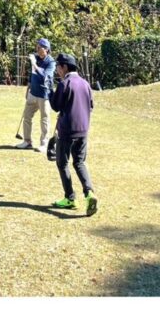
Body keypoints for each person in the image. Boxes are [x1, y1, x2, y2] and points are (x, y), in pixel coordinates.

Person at [48, 52, 97, 215]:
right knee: (79, 162)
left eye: (58, 67)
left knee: (62, 163)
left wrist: (49, 91)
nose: (57, 70)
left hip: (67, 131)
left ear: (64, 67)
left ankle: (70, 198)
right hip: (83, 130)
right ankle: (89, 193)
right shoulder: (85, 83)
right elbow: (91, 106)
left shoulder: (64, 83)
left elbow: (55, 106)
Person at [16, 39, 55, 152]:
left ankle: (44, 144)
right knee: (27, 116)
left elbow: (46, 76)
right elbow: (31, 75)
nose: (37, 49)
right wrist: (28, 88)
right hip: (32, 93)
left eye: (39, 47)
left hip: (44, 94)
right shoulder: (36, 58)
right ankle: (27, 141)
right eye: (36, 47)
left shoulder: (51, 62)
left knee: (44, 119)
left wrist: (34, 65)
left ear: (46, 49)